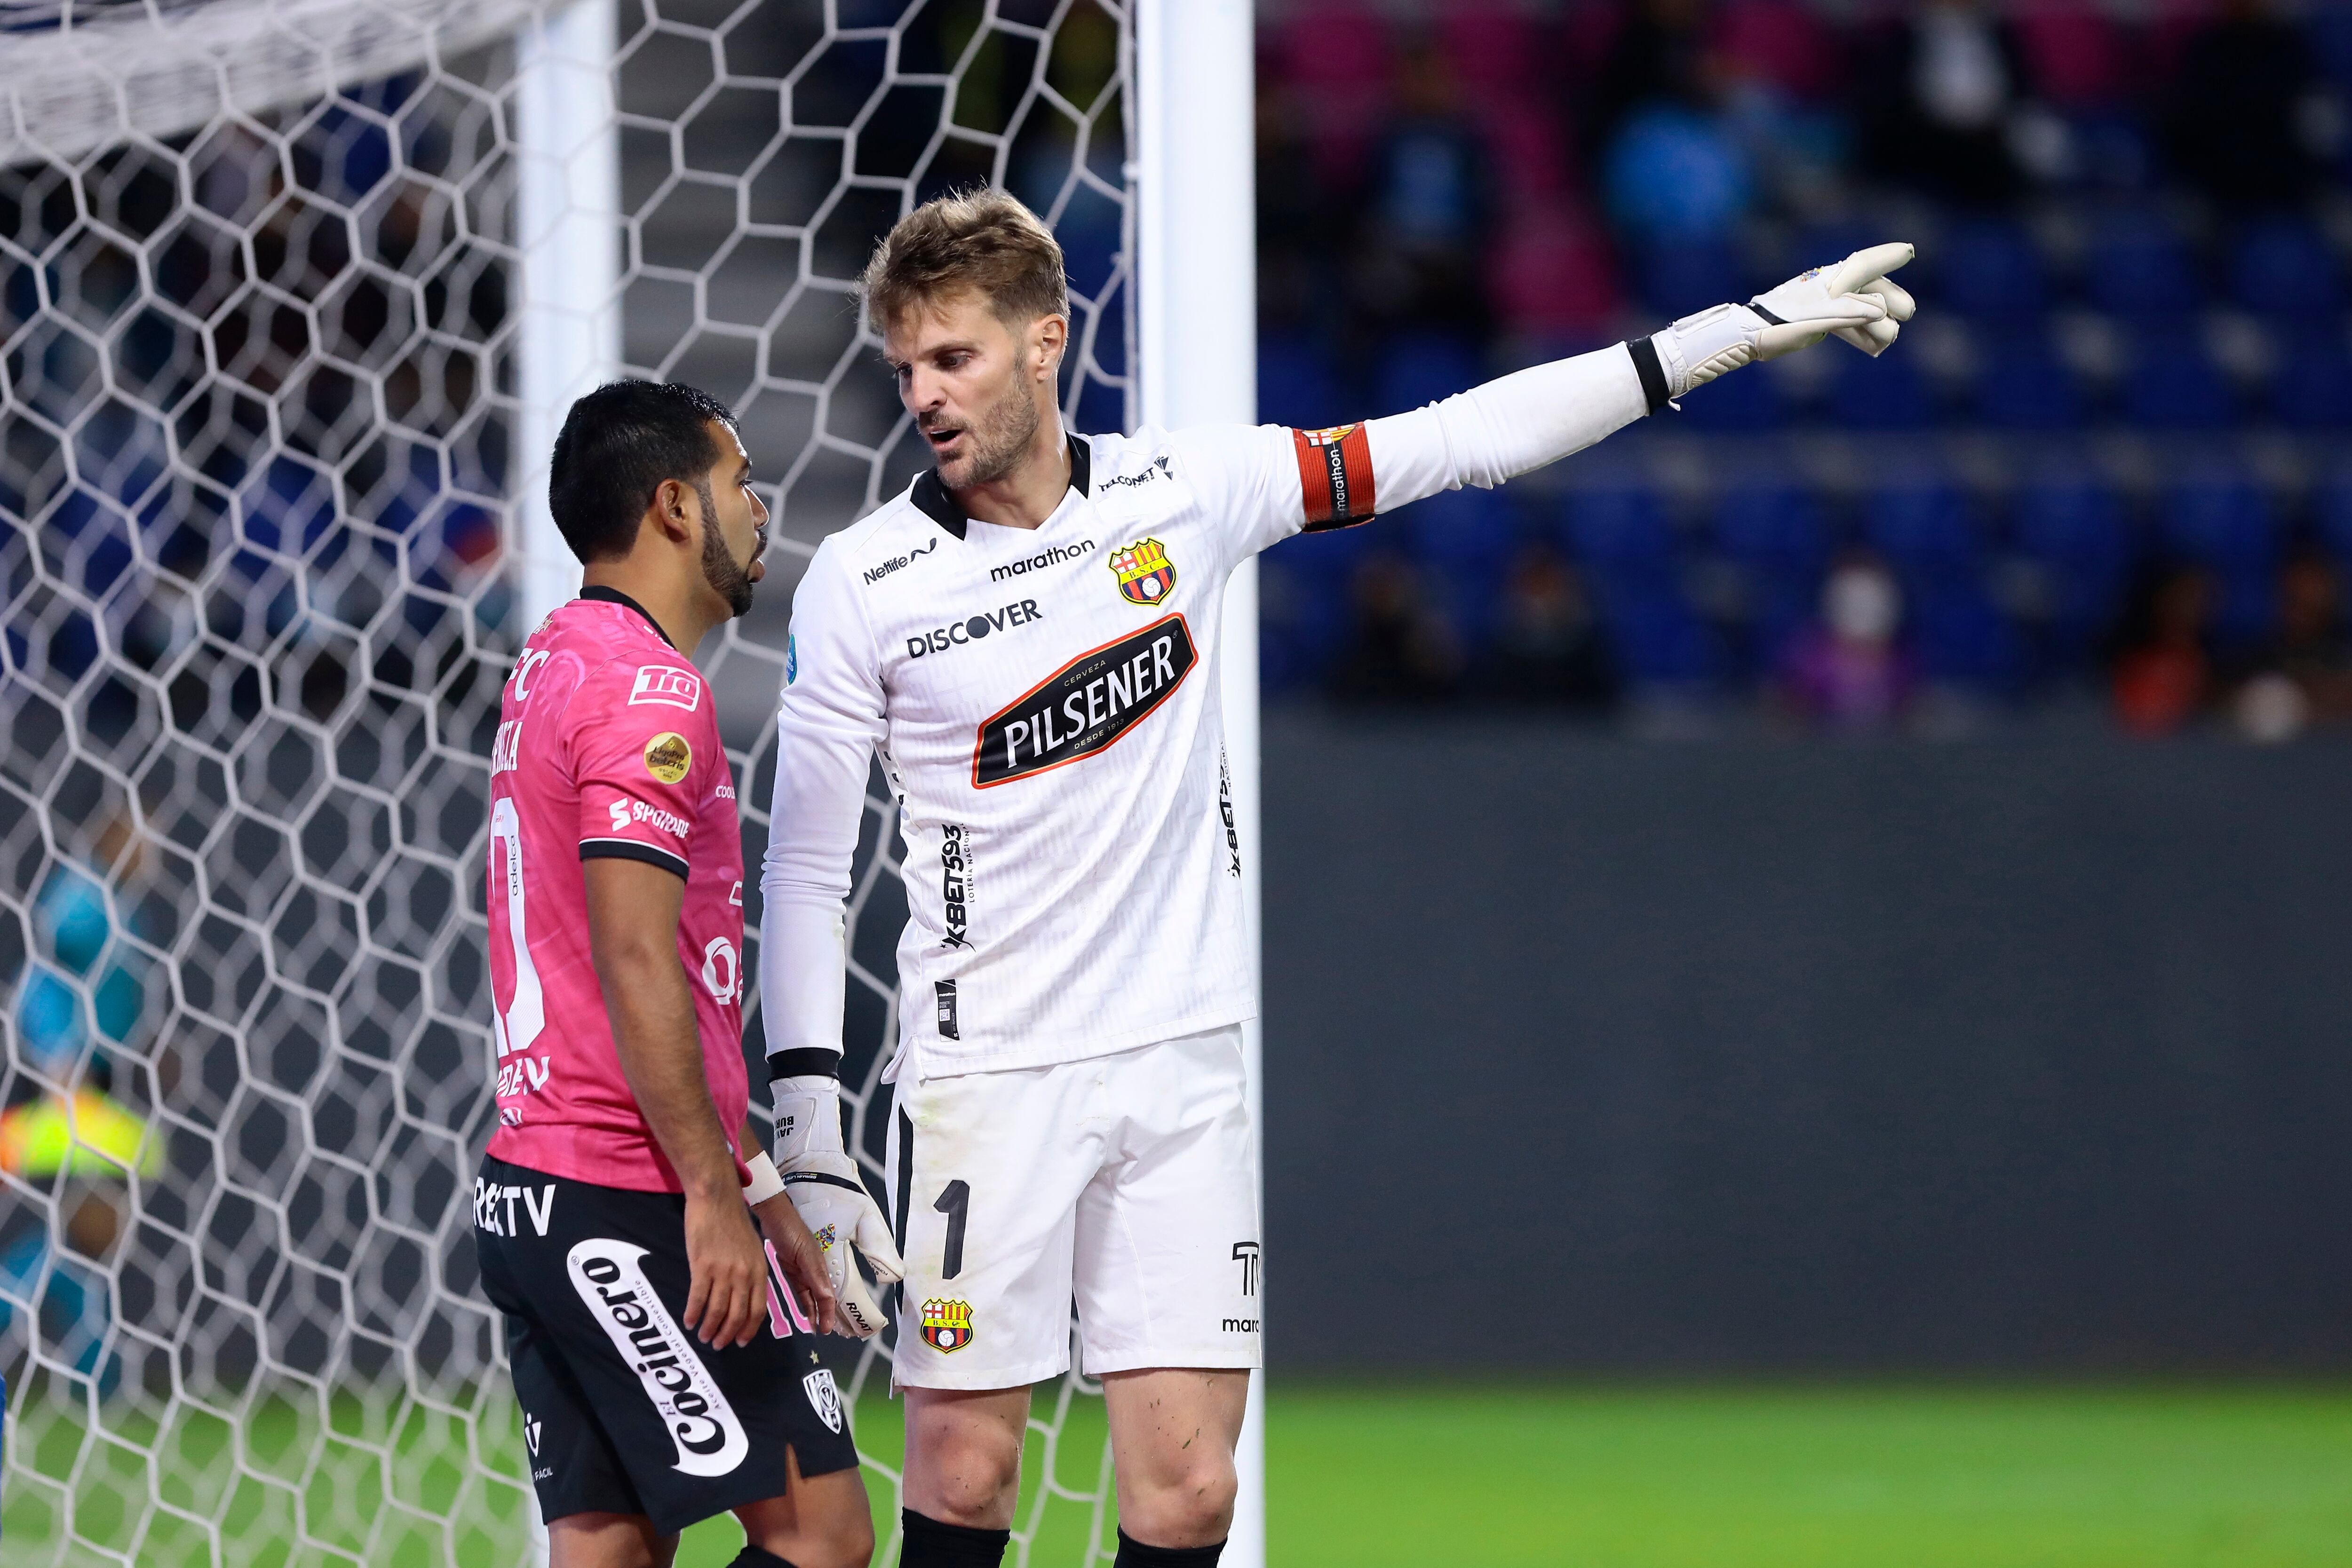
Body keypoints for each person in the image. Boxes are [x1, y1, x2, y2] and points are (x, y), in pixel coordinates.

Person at [763, 188, 1915, 1568]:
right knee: (961, 1470)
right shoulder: (865, 580)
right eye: (904, 368)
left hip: (1180, 1058)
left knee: (1189, 1496)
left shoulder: (1182, 494)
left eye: (951, 357)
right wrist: (813, 1127)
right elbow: (811, 860)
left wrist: (1734, 333)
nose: (924, 396)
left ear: (1044, 341)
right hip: (984, 1073)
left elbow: (1457, 442)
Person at [472, 380, 872, 1568]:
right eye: (740, 480)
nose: (758, 507)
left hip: (533, 1190)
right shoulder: (653, 694)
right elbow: (636, 951)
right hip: (626, 1195)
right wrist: (713, 1194)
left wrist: (753, 1181)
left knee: (610, 1553)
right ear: (674, 507)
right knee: (823, 1535)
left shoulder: (550, 662)